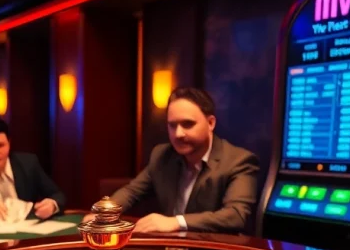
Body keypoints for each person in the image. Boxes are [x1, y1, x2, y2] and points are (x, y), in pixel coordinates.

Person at [105, 87, 259, 233]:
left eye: (188, 124)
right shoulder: (162, 155)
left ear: (211, 123)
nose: (178, 133)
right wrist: (104, 213)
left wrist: (176, 222)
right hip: (171, 248)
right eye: (172, 125)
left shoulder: (239, 161)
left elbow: (236, 215)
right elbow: (132, 192)